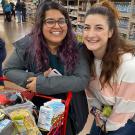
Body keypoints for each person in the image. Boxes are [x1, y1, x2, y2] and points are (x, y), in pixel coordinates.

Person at [3, 1, 90, 135]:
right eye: (50, 21)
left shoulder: (77, 48)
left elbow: (81, 80)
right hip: (39, 109)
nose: (57, 26)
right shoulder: (28, 44)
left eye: (61, 21)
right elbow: (8, 69)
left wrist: (43, 83)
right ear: (40, 24)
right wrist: (32, 79)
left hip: (71, 110)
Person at [83, 0, 135, 135]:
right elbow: (91, 94)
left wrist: (106, 128)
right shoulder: (86, 58)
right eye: (87, 27)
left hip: (127, 117)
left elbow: (125, 108)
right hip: (104, 112)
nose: (90, 34)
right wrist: (99, 118)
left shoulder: (128, 65)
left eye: (99, 28)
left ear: (111, 32)